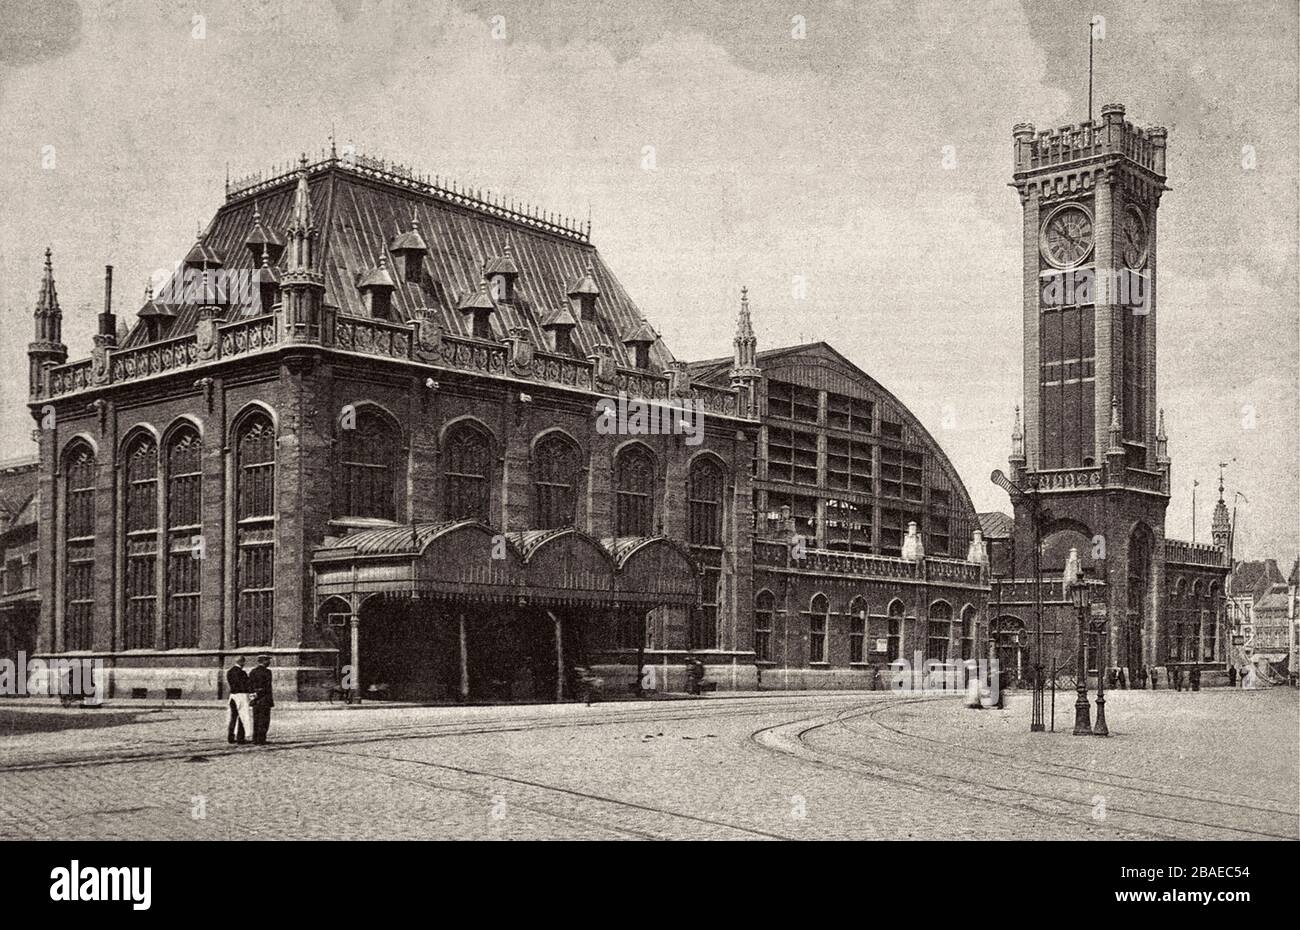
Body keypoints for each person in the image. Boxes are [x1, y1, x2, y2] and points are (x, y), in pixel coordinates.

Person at [248, 654, 274, 744]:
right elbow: (267, 687)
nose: (269, 662)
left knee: (256, 719)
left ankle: (255, 739)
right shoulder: (268, 672)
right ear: (264, 661)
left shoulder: (252, 671)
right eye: (268, 660)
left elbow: (250, 686)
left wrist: (253, 696)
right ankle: (261, 739)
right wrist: (259, 693)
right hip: (265, 699)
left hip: (255, 700)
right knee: (264, 721)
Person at [225, 656, 252, 744]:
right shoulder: (242, 673)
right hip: (241, 695)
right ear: (242, 662)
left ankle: (230, 736)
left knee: (233, 716)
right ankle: (240, 737)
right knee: (242, 717)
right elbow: (246, 684)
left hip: (232, 695)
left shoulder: (229, 672)